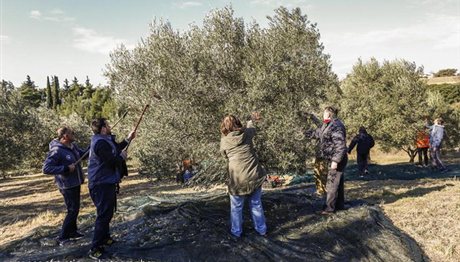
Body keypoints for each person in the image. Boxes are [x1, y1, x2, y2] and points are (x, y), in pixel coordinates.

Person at [87, 118, 135, 259]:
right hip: (100, 184)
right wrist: (121, 157)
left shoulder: (105, 140)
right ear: (102, 129)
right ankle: (95, 248)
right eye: (107, 125)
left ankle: (105, 238)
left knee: (107, 213)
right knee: (103, 215)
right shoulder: (100, 143)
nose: (109, 126)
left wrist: (128, 139)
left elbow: (116, 148)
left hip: (106, 182)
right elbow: (111, 160)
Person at [220, 113, 267, 238]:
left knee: (236, 208)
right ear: (238, 123)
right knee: (256, 204)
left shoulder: (224, 141)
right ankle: (262, 230)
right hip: (254, 176)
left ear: (225, 126)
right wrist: (251, 120)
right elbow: (252, 128)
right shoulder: (247, 133)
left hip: (237, 180)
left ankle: (236, 232)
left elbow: (224, 156)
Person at [42, 127, 87, 245]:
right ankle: (63, 236)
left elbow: (83, 155)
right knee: (72, 210)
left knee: (74, 209)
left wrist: (93, 144)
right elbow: (46, 169)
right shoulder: (56, 151)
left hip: (75, 183)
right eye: (71, 133)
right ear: (65, 136)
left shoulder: (73, 147)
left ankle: (73, 232)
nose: (74, 134)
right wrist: (65, 168)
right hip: (66, 185)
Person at [311, 106, 348, 215]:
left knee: (332, 183)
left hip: (337, 159)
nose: (323, 115)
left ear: (329, 114)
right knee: (338, 182)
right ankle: (340, 205)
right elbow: (318, 133)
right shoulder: (328, 125)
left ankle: (329, 209)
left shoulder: (336, 126)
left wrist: (335, 161)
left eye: (324, 113)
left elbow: (340, 145)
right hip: (333, 158)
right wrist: (304, 133)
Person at [306, 113, 328, 196]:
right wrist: (311, 117)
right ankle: (320, 190)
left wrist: (312, 116)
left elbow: (318, 123)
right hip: (318, 155)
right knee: (316, 172)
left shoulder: (325, 129)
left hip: (324, 156)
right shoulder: (319, 130)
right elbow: (311, 134)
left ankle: (325, 191)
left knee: (323, 173)